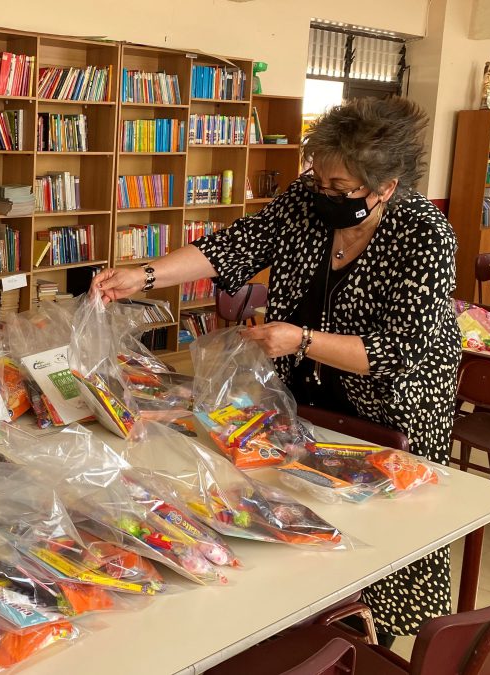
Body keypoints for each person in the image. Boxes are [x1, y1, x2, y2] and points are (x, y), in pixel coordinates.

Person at [95, 96, 459, 643]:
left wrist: (301, 340)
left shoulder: (424, 235)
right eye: (320, 181)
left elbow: (398, 353)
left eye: (343, 190)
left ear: (385, 187)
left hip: (394, 412)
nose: (325, 195)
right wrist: (144, 275)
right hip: (305, 399)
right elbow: (231, 248)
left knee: (385, 540)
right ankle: (311, 631)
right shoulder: (306, 199)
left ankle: (372, 636)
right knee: (301, 518)